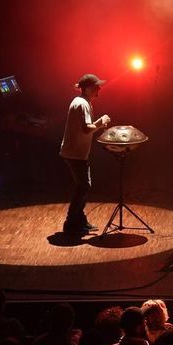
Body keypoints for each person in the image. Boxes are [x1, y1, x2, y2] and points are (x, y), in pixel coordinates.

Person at [59, 73, 111, 234]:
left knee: (84, 186)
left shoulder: (82, 102)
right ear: (88, 88)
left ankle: (79, 220)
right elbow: (86, 128)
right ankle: (71, 223)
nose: (99, 88)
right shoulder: (82, 104)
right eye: (96, 86)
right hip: (74, 153)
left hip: (76, 152)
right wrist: (101, 123)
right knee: (84, 186)